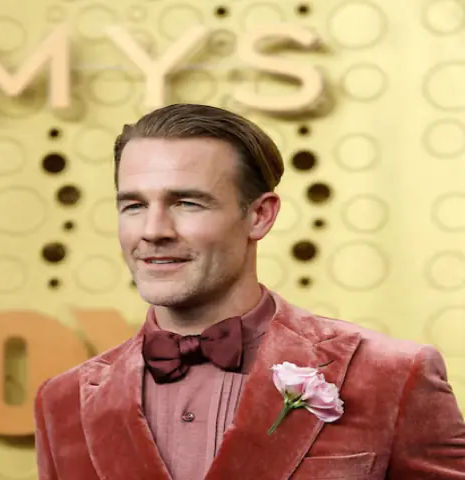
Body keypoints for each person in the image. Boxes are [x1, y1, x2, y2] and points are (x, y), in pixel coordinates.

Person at [32, 103, 465, 479]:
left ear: (260, 215)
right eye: (134, 205)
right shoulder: (63, 401)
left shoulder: (393, 375)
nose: (153, 231)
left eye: (187, 203)